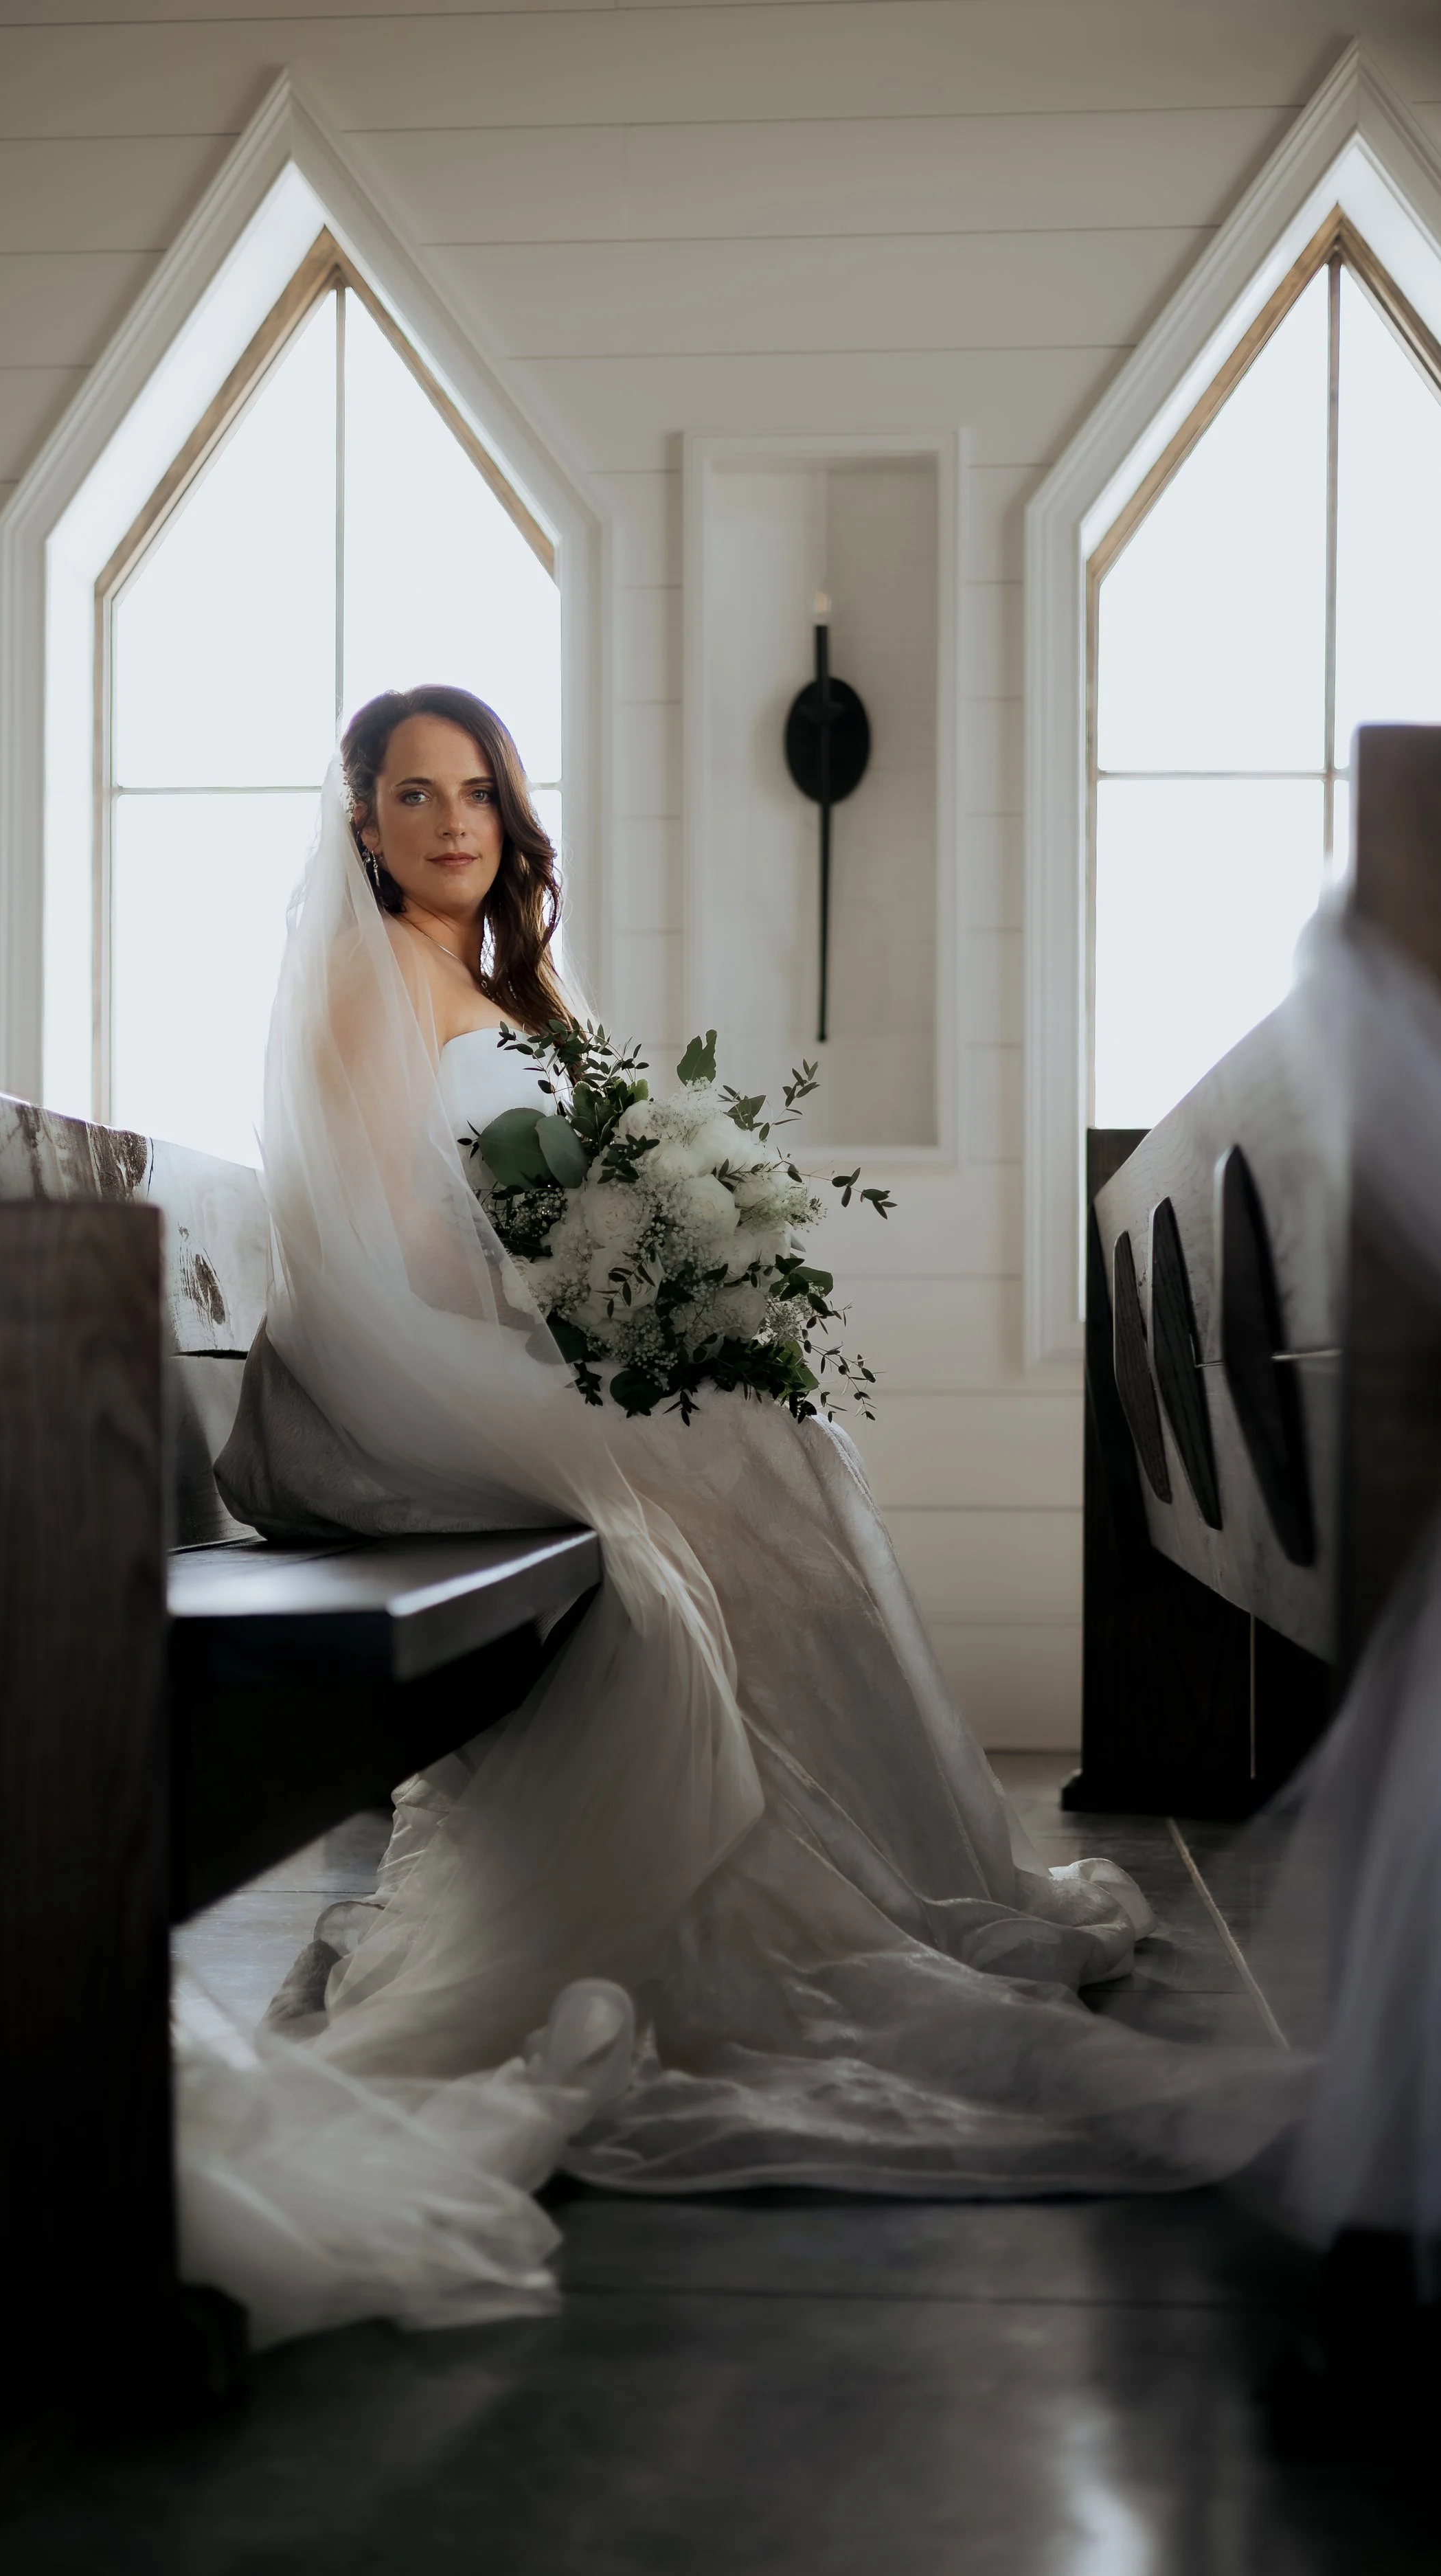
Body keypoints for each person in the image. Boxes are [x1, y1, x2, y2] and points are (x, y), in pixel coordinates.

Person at [177, 685, 1305, 2345]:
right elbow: (380, 1261)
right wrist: (585, 1329)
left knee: (769, 1431)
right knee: (716, 1466)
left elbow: (554, 1203)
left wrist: (655, 1302)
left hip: (481, 1346)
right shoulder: (368, 988)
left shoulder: (505, 989)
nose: (449, 823)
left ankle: (867, 1859)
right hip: (373, 1388)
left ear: (507, 811)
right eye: (411, 795)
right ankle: (756, 1879)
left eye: (475, 790)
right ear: (359, 821)